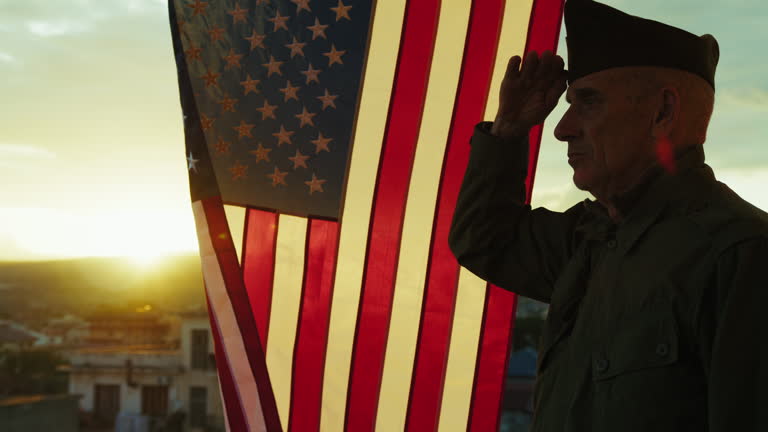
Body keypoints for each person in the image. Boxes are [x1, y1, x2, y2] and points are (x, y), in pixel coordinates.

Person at [448, 0, 768, 431]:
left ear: (663, 113)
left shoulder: (740, 254)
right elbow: (483, 238)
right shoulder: (589, 238)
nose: (562, 128)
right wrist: (507, 132)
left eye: (588, 102)